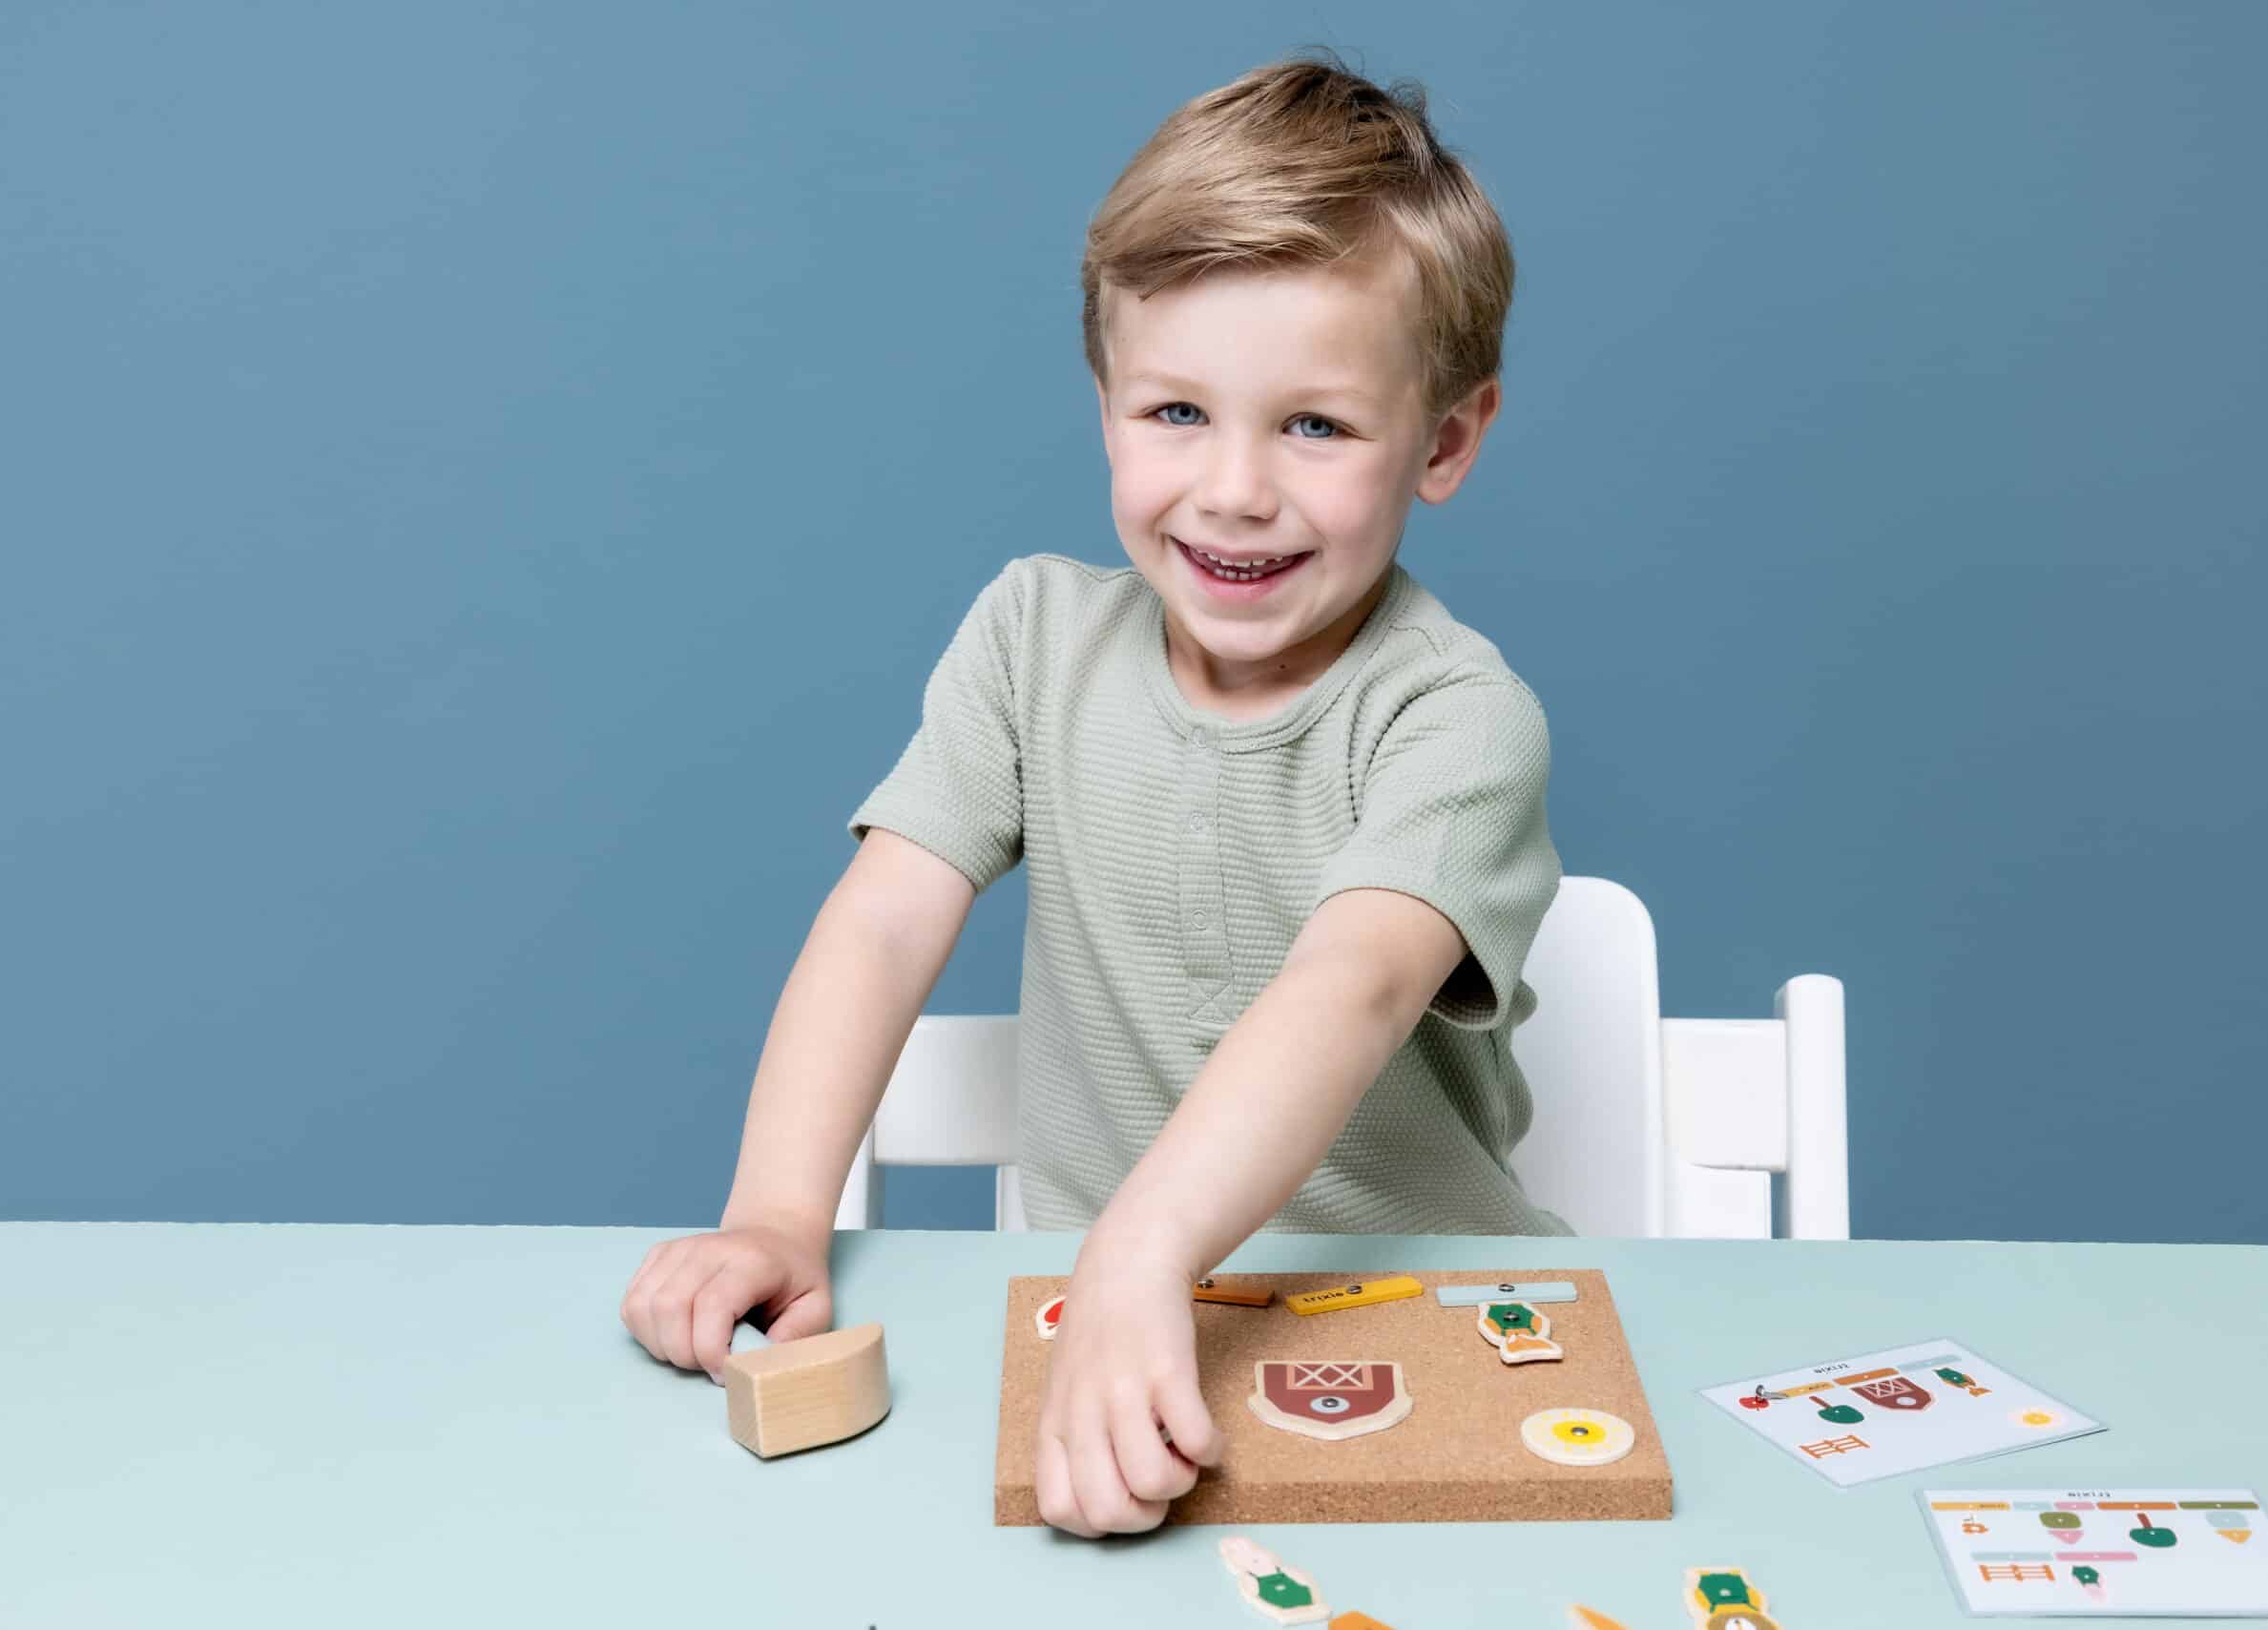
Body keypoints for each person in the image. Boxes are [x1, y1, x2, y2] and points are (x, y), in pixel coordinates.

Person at [619, 48, 1565, 1536]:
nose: (1234, 488)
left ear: (1443, 442)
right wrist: (778, 1213)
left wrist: (1142, 1247)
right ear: (1104, 401)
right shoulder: (1029, 637)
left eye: (1314, 426)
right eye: (1175, 412)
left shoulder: (1458, 716)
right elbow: (880, 924)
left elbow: (1353, 987)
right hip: (1104, 1323)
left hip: (1412, 1319)